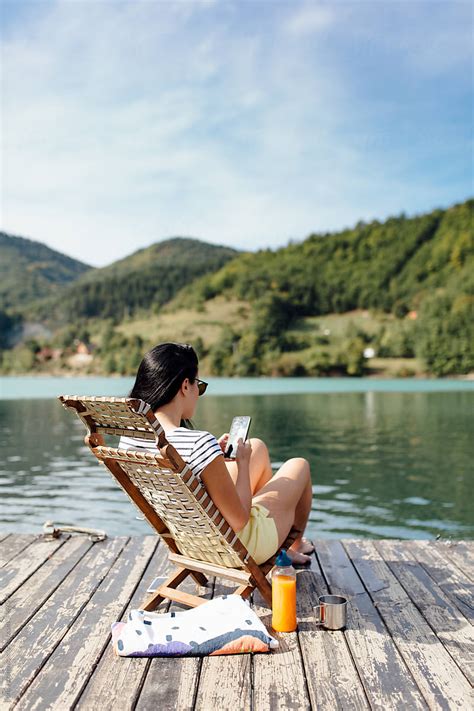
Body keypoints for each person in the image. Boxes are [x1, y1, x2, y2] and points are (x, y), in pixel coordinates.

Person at [119, 342, 314, 565]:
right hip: (237, 547)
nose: (197, 394)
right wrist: (241, 464)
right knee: (299, 465)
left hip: (189, 542)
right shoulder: (198, 442)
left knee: (257, 446)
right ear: (185, 386)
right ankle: (292, 546)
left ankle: (279, 541)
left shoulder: (130, 438)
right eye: (198, 386)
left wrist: (214, 458)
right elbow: (239, 521)